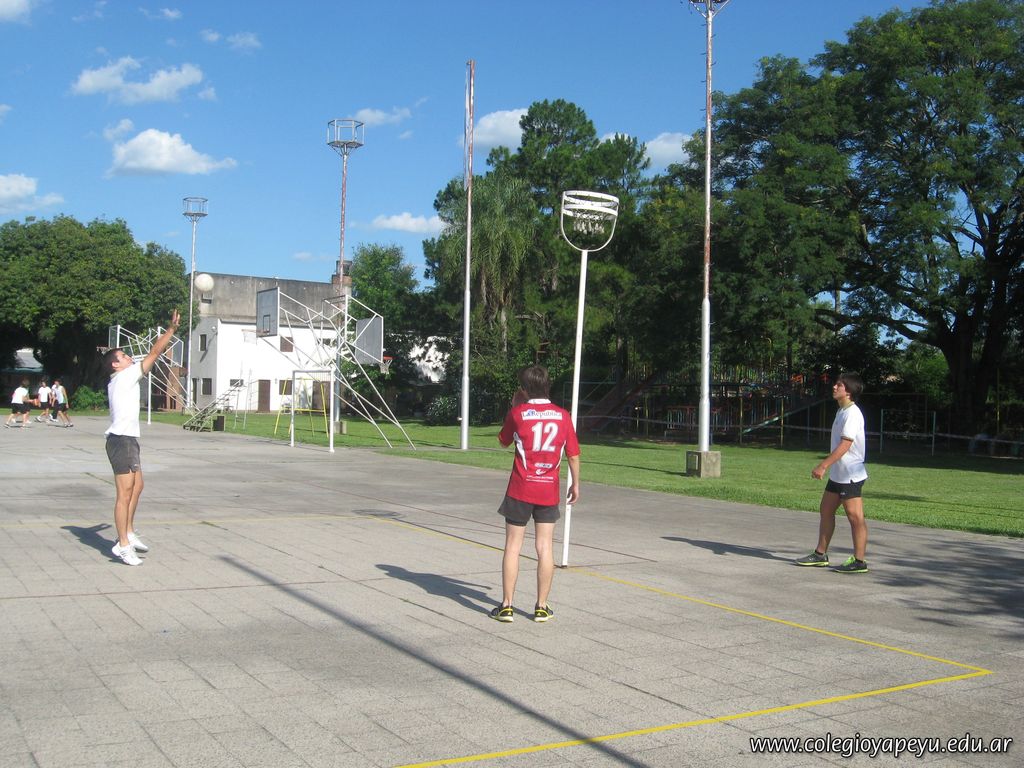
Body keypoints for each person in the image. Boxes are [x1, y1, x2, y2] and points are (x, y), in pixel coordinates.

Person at [491, 365, 581, 623]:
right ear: (547, 385)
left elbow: (503, 441)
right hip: (548, 489)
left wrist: (514, 407)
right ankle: (541, 606)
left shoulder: (518, 414)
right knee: (544, 547)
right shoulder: (563, 416)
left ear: (524, 389)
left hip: (520, 488)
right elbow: (573, 455)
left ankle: (507, 606)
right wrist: (575, 484)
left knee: (513, 546)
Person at [102, 309, 180, 566]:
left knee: (137, 487)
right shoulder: (125, 376)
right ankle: (122, 545)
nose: (128, 357)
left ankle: (128, 532)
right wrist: (171, 330)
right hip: (120, 440)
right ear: (115, 364)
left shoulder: (119, 379)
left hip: (128, 440)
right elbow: (155, 353)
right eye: (124, 356)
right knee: (124, 494)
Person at [796, 371, 869, 573]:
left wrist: (823, 465)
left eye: (839, 385)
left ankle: (859, 561)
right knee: (826, 510)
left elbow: (845, 445)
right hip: (839, 474)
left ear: (849, 391)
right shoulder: (841, 411)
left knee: (855, 517)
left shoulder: (853, 413)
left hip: (850, 474)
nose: (834, 387)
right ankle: (820, 555)